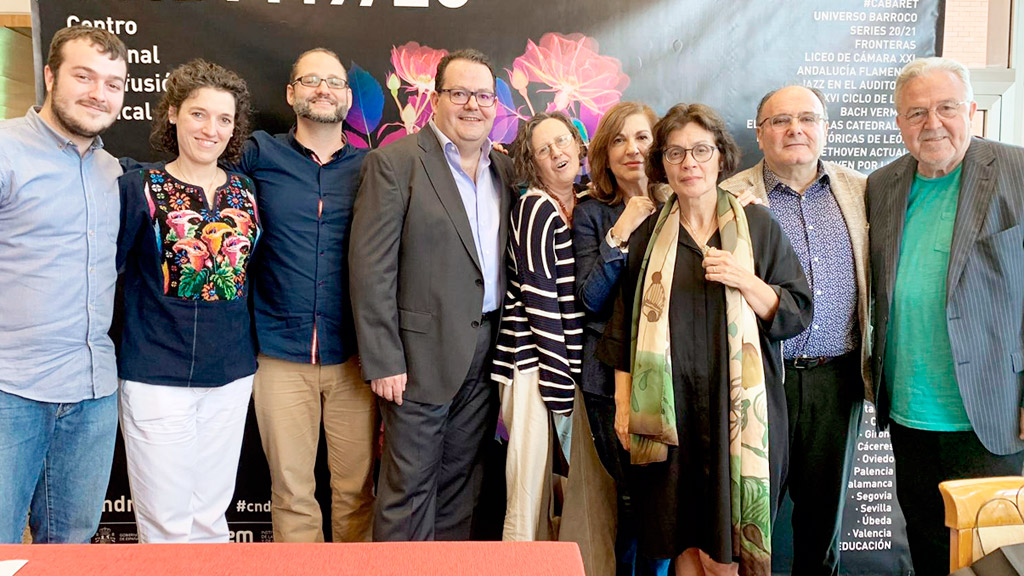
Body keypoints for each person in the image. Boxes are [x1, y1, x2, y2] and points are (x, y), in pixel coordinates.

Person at [598, 103, 812, 576]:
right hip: (667, 416)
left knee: (725, 553)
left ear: (720, 157)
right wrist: (621, 404)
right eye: (675, 153)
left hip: (735, 416)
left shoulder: (757, 227)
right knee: (681, 546)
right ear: (662, 164)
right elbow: (624, 324)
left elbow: (796, 313)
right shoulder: (649, 235)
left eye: (700, 150)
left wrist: (746, 279)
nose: (689, 163)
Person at [350, 49, 516, 541]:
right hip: (417, 358)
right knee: (408, 489)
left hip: (487, 351)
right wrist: (382, 359)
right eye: (459, 93)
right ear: (435, 99)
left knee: (461, 486)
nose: (473, 105)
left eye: (483, 95)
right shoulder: (395, 163)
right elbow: (370, 268)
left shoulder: (503, 171)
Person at [867, 56, 1024, 576]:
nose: (932, 123)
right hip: (910, 412)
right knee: (929, 547)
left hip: (991, 412)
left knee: (992, 560)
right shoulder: (883, 184)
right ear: (898, 122)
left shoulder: (1018, 171)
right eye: (916, 113)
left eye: (946, 108)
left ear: (972, 110)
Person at [720, 85, 870, 576]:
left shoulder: (860, 190)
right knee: (749, 517)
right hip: (760, 380)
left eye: (807, 118)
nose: (795, 129)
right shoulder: (729, 197)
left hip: (836, 379)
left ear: (825, 127)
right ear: (759, 134)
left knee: (822, 523)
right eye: (780, 120)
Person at [233, 48, 377, 543]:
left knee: (356, 490)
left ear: (348, 98)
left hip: (354, 359)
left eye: (334, 82)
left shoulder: (375, 168)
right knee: (292, 492)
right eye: (311, 80)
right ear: (291, 93)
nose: (323, 89)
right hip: (278, 355)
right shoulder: (258, 154)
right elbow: (192, 166)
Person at [116, 59, 258, 543]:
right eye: (199, 114)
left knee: (211, 518)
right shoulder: (139, 187)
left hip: (231, 372)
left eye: (224, 119)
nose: (211, 129)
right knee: (166, 523)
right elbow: (108, 272)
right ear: (173, 113)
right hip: (156, 372)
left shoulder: (246, 191)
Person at [0, 26, 127, 544]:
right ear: (50, 76)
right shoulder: (6, 151)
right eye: (84, 76)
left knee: (73, 548)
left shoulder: (112, 171)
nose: (99, 93)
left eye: (113, 83)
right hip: (12, 392)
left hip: (92, 392)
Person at [572, 101, 673, 576]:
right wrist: (623, 227)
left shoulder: (686, 200)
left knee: (671, 496)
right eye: (618, 140)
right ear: (605, 156)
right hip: (608, 376)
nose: (631, 149)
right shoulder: (593, 212)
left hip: (676, 371)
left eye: (642, 137)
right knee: (632, 500)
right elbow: (591, 299)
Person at [493, 111, 585, 541]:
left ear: (578, 144)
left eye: (562, 142)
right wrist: (558, 377)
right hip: (532, 365)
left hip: (560, 364)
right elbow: (538, 297)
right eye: (544, 150)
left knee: (561, 491)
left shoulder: (579, 202)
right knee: (528, 492)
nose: (557, 153)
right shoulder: (535, 207)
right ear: (533, 162)